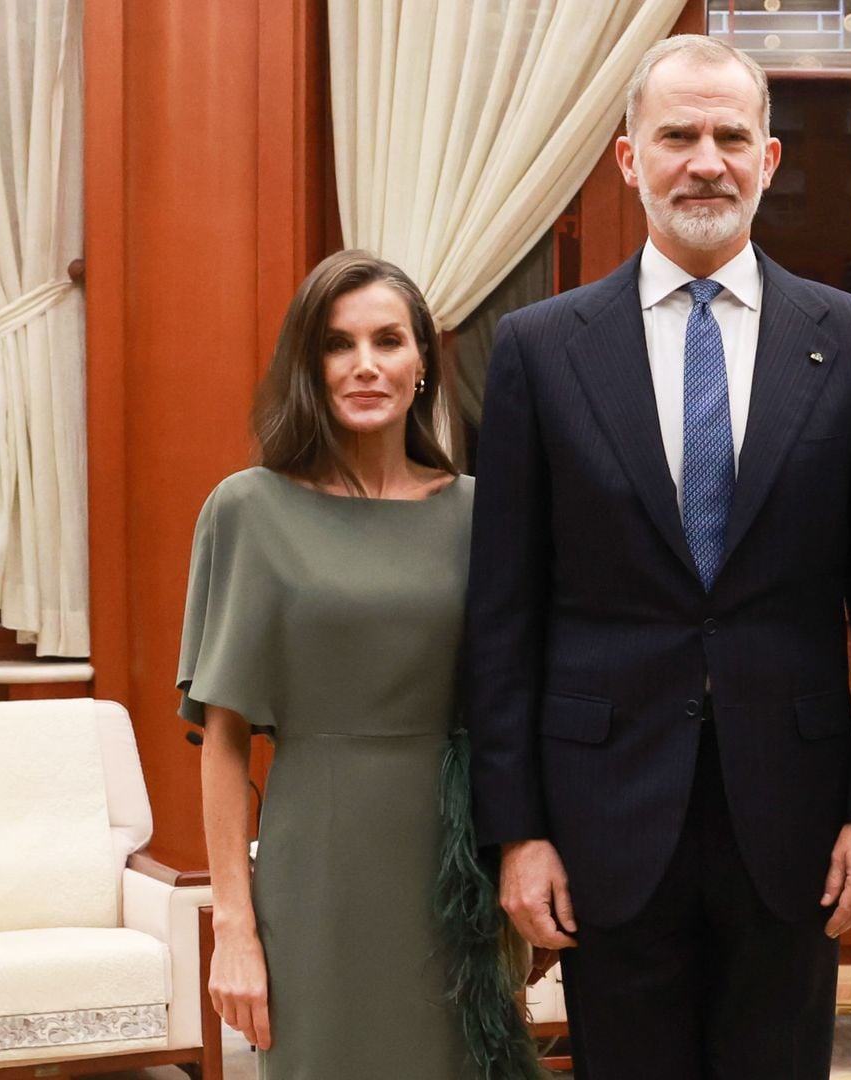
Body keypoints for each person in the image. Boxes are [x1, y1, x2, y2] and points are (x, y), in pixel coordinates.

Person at [462, 34, 851, 1079]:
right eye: (677, 136)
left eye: (729, 136)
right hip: (600, 814)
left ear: (768, 160)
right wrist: (517, 829)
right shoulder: (541, 350)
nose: (704, 161)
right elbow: (504, 613)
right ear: (631, 159)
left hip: (797, 819)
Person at [180, 251, 536, 1078]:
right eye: (339, 345)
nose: (366, 365)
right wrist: (232, 926)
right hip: (317, 870)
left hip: (455, 873)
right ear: (310, 365)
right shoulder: (248, 509)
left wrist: (521, 869)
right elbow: (224, 742)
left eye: (388, 341)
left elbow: (514, 710)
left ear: (422, 366)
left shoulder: (483, 515)